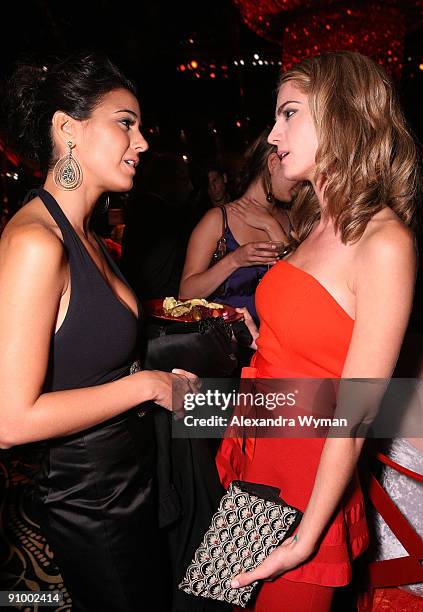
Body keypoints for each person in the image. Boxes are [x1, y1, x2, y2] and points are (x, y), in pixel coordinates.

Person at [215, 51, 419, 611]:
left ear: (342, 115)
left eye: (289, 114)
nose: (273, 134)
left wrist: (306, 538)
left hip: (307, 487)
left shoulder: (384, 242)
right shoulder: (311, 224)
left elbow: (356, 411)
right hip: (260, 455)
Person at [0, 52, 196, 612]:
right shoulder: (36, 243)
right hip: (90, 501)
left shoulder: (83, 233)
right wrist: (148, 386)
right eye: (125, 122)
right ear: (68, 128)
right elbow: (10, 421)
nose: (142, 143)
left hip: (127, 479)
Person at [179, 130, 299, 326]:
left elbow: (302, 288)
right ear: (273, 164)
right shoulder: (218, 220)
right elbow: (185, 294)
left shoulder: (292, 217)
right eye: (294, 169)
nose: (300, 180)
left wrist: (270, 225)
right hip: (230, 349)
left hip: (278, 344)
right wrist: (235, 260)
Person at [121, 151, 194, 299]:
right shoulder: (163, 218)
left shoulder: (142, 209)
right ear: (170, 181)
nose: (191, 187)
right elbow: (154, 278)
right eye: (185, 180)